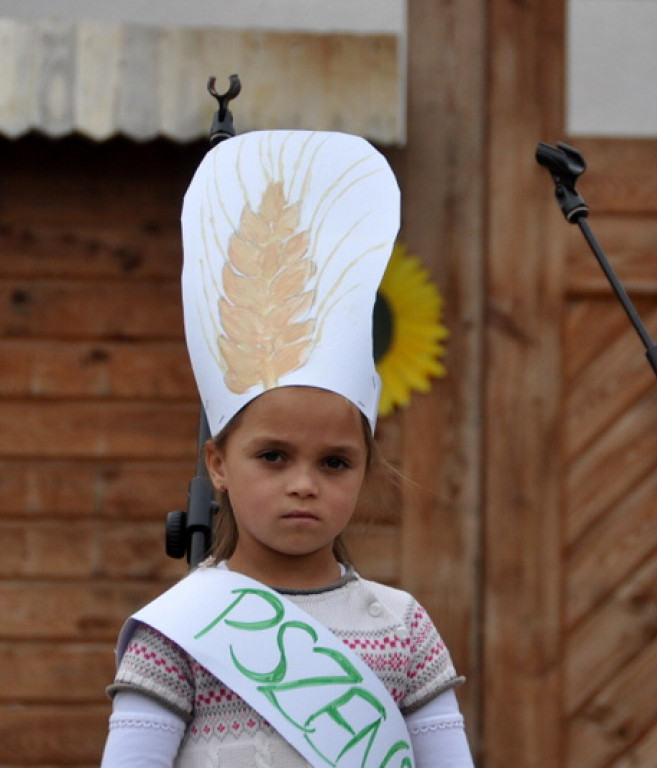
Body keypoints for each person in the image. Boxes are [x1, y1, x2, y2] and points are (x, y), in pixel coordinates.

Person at [100, 130, 474, 767]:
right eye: (273, 456)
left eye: (335, 462)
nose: (304, 483)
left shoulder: (402, 629)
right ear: (218, 464)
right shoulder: (180, 632)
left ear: (364, 471)